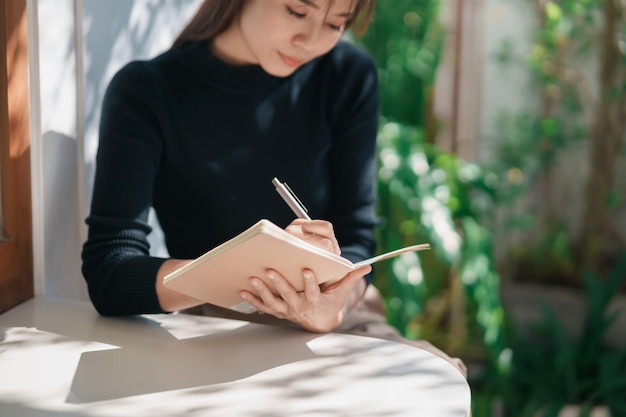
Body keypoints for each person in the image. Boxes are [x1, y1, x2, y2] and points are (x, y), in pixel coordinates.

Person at [82, 0, 466, 375]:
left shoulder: (347, 76)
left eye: (336, 23)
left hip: (340, 321)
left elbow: (356, 235)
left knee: (435, 381)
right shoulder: (147, 91)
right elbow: (111, 272)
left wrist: (332, 306)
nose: (311, 40)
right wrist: (253, 271)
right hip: (219, 326)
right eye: (298, 11)